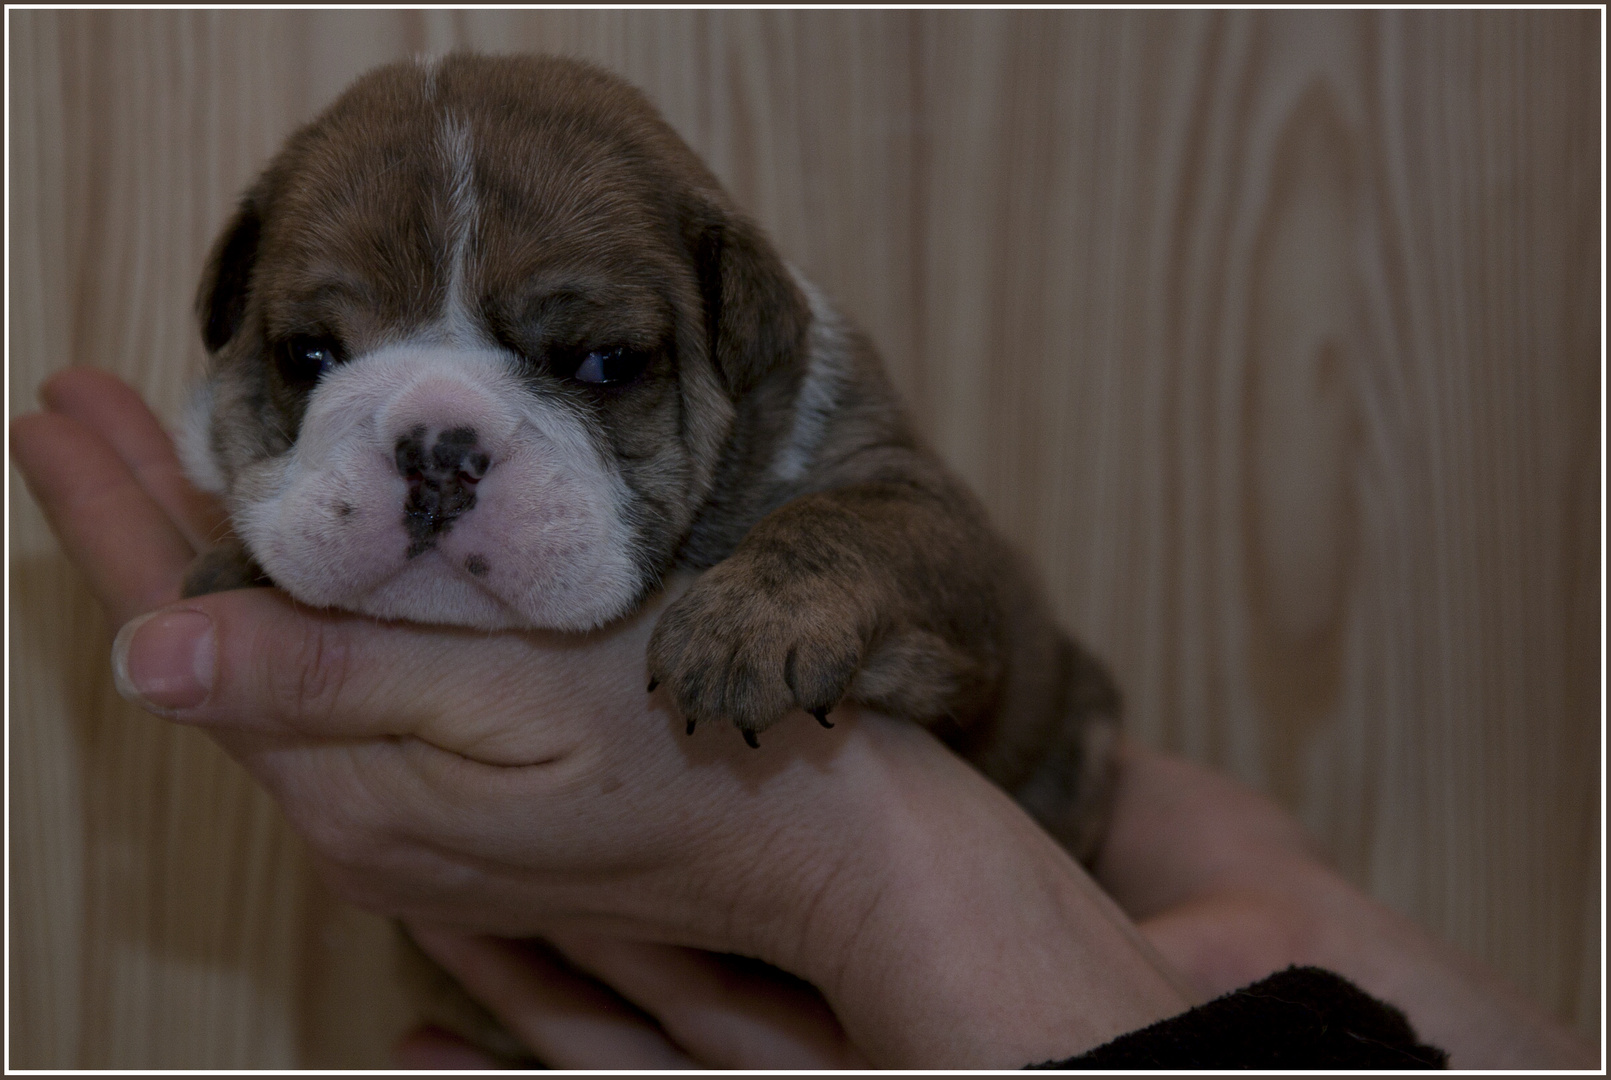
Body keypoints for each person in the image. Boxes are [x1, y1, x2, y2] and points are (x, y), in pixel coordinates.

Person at [11, 368, 1598, 1070]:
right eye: (313, 355)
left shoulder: (821, 450)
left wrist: (877, 876)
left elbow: (932, 567)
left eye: (596, 361)